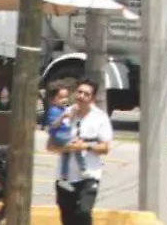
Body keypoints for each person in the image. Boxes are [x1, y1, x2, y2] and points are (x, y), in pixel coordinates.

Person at [49, 79, 111, 225]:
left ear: (92, 98)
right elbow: (50, 145)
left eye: (86, 94)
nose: (82, 96)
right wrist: (66, 147)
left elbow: (105, 148)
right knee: (68, 218)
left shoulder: (99, 118)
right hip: (65, 178)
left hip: (89, 175)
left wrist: (84, 147)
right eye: (79, 92)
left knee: (83, 212)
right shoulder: (65, 115)